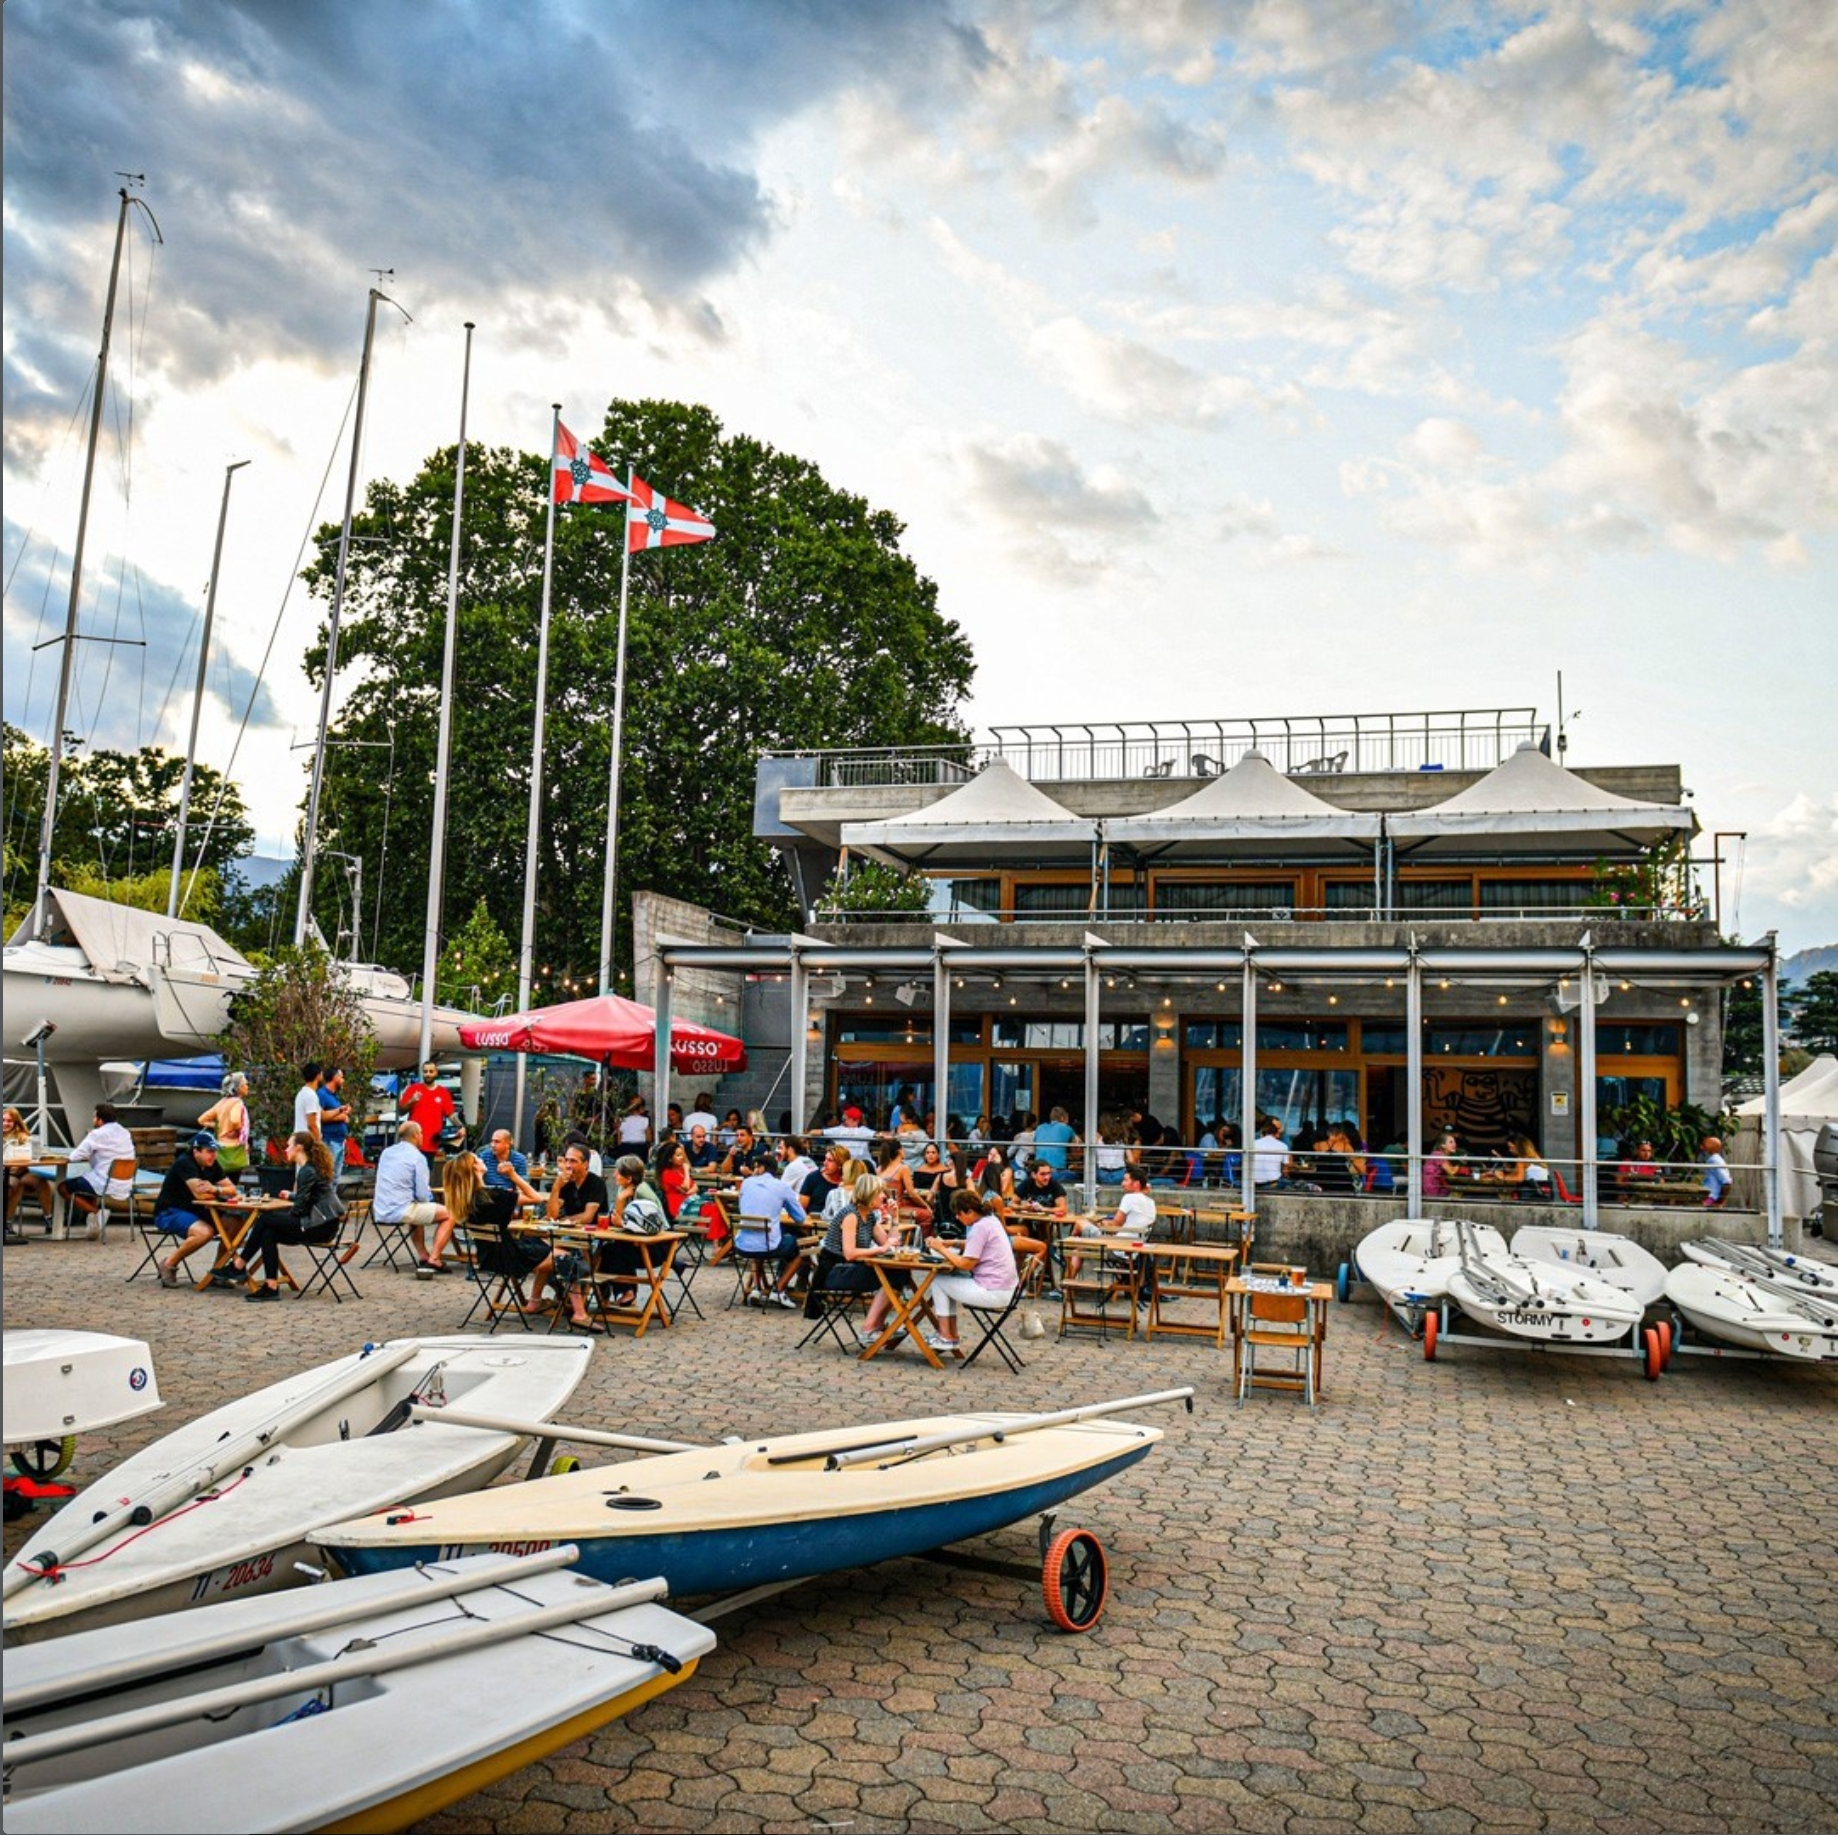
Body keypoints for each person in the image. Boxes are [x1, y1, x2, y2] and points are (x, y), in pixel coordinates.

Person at [223, 1131, 343, 1301]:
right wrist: (291, 1197)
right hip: (325, 1224)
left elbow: (299, 1209)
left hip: (318, 1227)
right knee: (268, 1233)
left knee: (265, 1219)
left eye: (289, 1145)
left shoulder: (307, 1171)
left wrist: (283, 1218)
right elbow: (311, 1197)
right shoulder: (311, 1168)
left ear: (299, 1148)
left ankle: (239, 1265)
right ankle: (271, 1286)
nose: (286, 1149)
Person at [807, 1170, 904, 1346]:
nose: (883, 1196)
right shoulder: (851, 1215)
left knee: (898, 1276)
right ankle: (869, 1329)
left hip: (849, 1268)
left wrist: (894, 1218)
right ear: (869, 1194)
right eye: (880, 1192)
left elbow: (890, 1243)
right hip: (834, 1272)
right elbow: (849, 1253)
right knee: (892, 1276)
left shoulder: (870, 1216)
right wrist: (880, 1249)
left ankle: (876, 1327)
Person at [922, 1191, 1021, 1358]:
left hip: (993, 1291)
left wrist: (941, 1249)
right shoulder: (991, 1220)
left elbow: (966, 1264)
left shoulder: (979, 1227)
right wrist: (952, 1243)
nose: (959, 1219)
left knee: (939, 1281)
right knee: (950, 1280)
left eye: (959, 1215)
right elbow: (976, 1244)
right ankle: (950, 1335)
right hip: (1006, 1289)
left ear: (969, 1211)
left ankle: (946, 1335)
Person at [151, 1129, 240, 1287]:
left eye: (215, 1151)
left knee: (235, 1224)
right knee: (204, 1232)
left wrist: (215, 1189)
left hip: (197, 1210)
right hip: (170, 1211)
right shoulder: (185, 1162)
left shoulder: (212, 1164)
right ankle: (168, 1264)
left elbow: (232, 1189)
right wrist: (219, 1193)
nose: (213, 1155)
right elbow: (201, 1196)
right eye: (209, 1151)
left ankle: (217, 1272)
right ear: (196, 1151)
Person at [373, 1121, 455, 1273]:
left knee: (418, 1210)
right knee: (450, 1214)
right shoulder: (418, 1157)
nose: (423, 1136)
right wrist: (432, 1199)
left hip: (381, 1209)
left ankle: (423, 1255)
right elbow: (423, 1195)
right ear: (416, 1136)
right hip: (402, 1210)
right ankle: (434, 1258)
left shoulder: (386, 1152)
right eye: (422, 1133)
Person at [734, 1151, 808, 1307]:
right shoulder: (782, 1187)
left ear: (760, 1169)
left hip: (741, 1245)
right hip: (768, 1245)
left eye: (755, 1168)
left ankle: (756, 1288)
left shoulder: (746, 1183)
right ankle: (779, 1289)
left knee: (759, 1235)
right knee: (805, 1245)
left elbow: (744, 1209)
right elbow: (800, 1218)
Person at [1067, 1164, 1155, 1281]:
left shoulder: (1129, 1198)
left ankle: (1065, 1258)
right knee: (1079, 1248)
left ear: (1136, 1184)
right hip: (1134, 1250)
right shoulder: (1151, 1202)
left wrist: (1101, 1223)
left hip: (1118, 1248)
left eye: (1125, 1180)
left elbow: (1115, 1226)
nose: (1122, 1184)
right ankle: (1070, 1258)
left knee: (1080, 1222)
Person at [60, 1101, 136, 1234]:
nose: (93, 1119)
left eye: (94, 1116)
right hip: (125, 1182)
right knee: (90, 1180)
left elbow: (76, 1155)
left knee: (63, 1188)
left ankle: (96, 1213)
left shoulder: (97, 1134)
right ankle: (94, 1227)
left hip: (104, 1182)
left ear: (100, 1120)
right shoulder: (125, 1133)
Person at [4, 1107, 55, 1235]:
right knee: (16, 1185)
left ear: (16, 1123)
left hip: (24, 1171)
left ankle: (49, 1218)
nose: (5, 1123)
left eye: (9, 1121)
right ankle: (7, 1223)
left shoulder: (23, 1137)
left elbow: (35, 1156)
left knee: (40, 1181)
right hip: (7, 1173)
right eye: (3, 1120)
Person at [197, 1073, 252, 1178]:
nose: (247, 1086)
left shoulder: (221, 1103)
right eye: (245, 1084)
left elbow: (202, 1120)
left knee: (219, 1180)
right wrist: (237, 1129)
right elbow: (235, 1120)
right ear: (238, 1088)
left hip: (220, 1148)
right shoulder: (237, 1102)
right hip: (234, 1148)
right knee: (231, 1182)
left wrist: (220, 1126)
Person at [399, 1062, 455, 1164]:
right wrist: (412, 1101)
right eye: (425, 1072)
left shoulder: (443, 1092)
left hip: (431, 1143)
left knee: (425, 1173)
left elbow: (450, 1114)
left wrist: (461, 1126)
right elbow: (401, 1111)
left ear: (436, 1073)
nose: (428, 1074)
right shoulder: (413, 1089)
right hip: (412, 1142)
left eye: (431, 1071)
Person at [317, 1066, 352, 1176]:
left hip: (339, 1141)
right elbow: (320, 1116)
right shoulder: (322, 1094)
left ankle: (332, 1194)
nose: (343, 1080)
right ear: (335, 1077)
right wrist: (342, 1116)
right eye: (341, 1077)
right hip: (329, 1140)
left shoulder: (334, 1096)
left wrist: (344, 1113)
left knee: (335, 1176)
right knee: (327, 1175)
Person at [482, 1127, 536, 1195]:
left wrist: (513, 1193)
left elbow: (522, 1187)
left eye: (497, 1142)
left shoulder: (520, 1159)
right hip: (488, 1196)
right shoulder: (484, 1156)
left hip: (509, 1197)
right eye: (492, 1141)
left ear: (508, 1144)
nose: (492, 1145)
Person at [655, 1138, 695, 1221]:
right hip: (679, 1206)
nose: (682, 1158)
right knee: (711, 1210)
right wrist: (687, 1171)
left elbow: (695, 1186)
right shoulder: (667, 1173)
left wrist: (688, 1192)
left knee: (714, 1208)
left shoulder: (680, 1169)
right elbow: (687, 1187)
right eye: (678, 1155)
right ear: (670, 1159)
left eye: (682, 1155)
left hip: (690, 1201)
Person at [1250, 1116, 1290, 1189]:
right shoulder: (1283, 1146)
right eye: (1278, 1129)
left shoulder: (1252, 1144)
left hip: (1252, 1183)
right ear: (1276, 1133)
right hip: (1273, 1184)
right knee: (1289, 1182)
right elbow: (1285, 1170)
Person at [1034, 1105, 1076, 1172]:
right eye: (1067, 1119)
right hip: (1057, 1169)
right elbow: (1077, 1146)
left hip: (1037, 1168)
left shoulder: (1039, 1128)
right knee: (1075, 1176)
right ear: (1062, 1118)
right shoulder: (1065, 1127)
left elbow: (1035, 1147)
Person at [976, 1145, 1015, 1211]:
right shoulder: (984, 1170)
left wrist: (997, 1166)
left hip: (1004, 1202)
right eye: (990, 1154)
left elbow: (1002, 1189)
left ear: (1002, 1156)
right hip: (986, 1200)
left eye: (995, 1155)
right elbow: (980, 1187)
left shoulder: (1007, 1170)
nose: (992, 1157)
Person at [292, 1064, 324, 1143]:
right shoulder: (311, 1095)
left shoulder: (302, 1093)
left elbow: (321, 1114)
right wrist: (319, 1142)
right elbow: (311, 1124)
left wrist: (338, 1110)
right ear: (318, 1076)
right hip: (307, 1141)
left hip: (300, 1138)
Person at [1422, 1131, 1460, 1198]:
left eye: (1454, 1142)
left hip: (1437, 1187)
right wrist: (1459, 1165)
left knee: (1457, 1191)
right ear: (1443, 1145)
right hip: (1433, 1190)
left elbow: (1451, 1169)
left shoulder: (1442, 1155)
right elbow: (1452, 1171)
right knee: (1459, 1192)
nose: (1454, 1144)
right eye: (1451, 1142)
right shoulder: (1438, 1155)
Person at [1701, 1135, 1732, 1208]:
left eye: (1704, 1145)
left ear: (1710, 1148)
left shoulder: (1714, 1161)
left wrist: (1719, 1202)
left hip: (1712, 1198)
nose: (1702, 1148)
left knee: (1698, 1208)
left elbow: (1727, 1182)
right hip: (1710, 1196)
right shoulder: (1713, 1159)